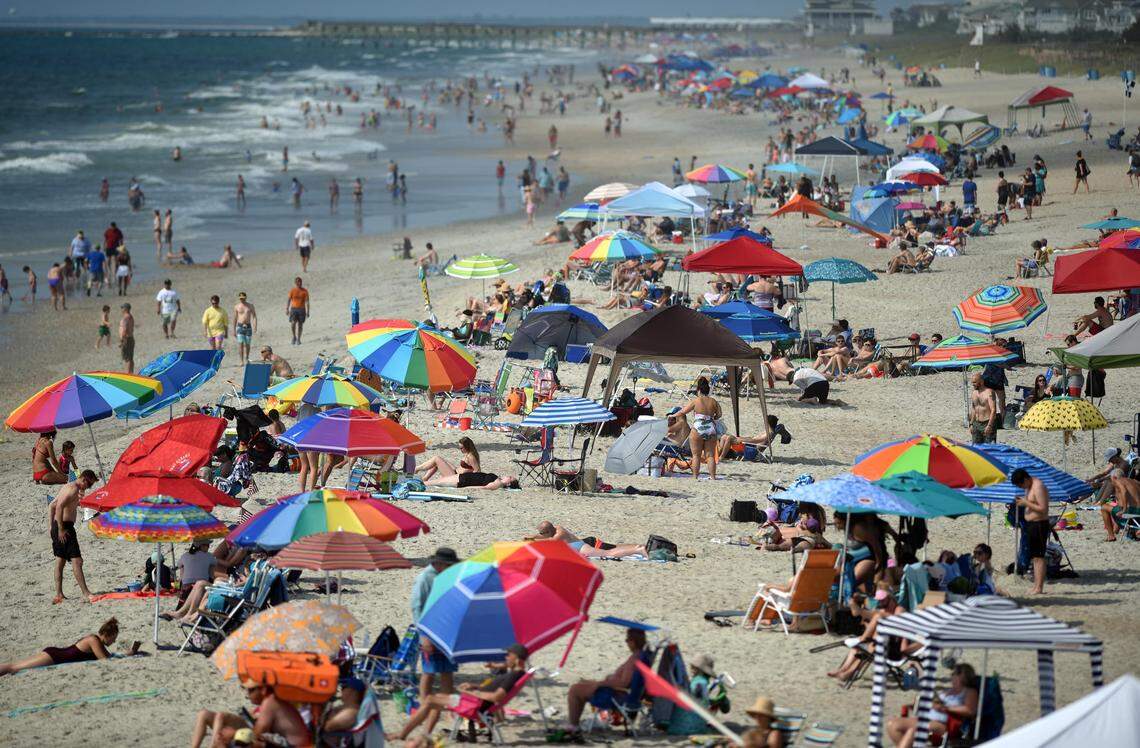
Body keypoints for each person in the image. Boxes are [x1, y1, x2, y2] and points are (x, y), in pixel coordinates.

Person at [390, 643, 529, 742]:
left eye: (508, 655)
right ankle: (422, 735)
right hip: (475, 701)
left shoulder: (512, 676)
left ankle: (405, 734)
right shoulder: (516, 673)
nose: (506, 657)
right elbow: (493, 688)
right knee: (435, 698)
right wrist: (474, 685)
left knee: (430, 700)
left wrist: (473, 692)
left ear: (517, 659)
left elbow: (496, 696)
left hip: (474, 705)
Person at [559, 628, 648, 740]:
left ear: (632, 642)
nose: (626, 643)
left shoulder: (634, 660)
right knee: (581, 685)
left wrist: (600, 683)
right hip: (619, 693)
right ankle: (574, 724)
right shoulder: (642, 656)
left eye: (627, 640)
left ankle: (573, 725)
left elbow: (623, 683)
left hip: (614, 695)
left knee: (575, 690)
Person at [190, 680, 311, 748]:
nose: (248, 694)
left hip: (291, 746)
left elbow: (255, 734)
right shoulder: (270, 702)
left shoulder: (271, 702)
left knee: (234, 741)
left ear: (263, 690)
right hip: (281, 741)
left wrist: (234, 734)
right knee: (205, 714)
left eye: (251, 690)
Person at [887, 664, 979, 748]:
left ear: (966, 675)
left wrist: (945, 708)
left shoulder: (969, 691)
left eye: (956, 673)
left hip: (945, 725)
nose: (953, 676)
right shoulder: (947, 691)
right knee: (892, 725)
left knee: (913, 730)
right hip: (928, 719)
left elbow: (970, 710)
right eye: (953, 673)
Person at [410, 548, 460, 706]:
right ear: (439, 564)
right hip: (429, 631)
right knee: (429, 671)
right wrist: (423, 635)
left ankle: (448, 702)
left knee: (447, 670)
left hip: (446, 629)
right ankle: (424, 703)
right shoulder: (425, 577)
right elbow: (416, 607)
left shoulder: (446, 575)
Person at [0, 618, 124, 675]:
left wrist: (131, 652)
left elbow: (111, 656)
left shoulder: (98, 643)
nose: (114, 641)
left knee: (14, 666)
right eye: (114, 638)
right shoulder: (93, 640)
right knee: (14, 667)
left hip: (55, 655)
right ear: (108, 634)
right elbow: (105, 661)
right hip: (54, 657)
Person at [48, 470, 98, 603]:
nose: (88, 488)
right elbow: (58, 508)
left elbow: (52, 505)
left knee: (61, 560)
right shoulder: (72, 489)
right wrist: (60, 529)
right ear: (84, 479)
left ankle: (59, 595)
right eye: (89, 485)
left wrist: (51, 527)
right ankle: (86, 593)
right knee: (77, 561)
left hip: (61, 527)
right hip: (64, 527)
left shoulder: (71, 488)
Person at [674, 376, 723, 481]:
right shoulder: (714, 401)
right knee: (710, 455)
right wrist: (713, 417)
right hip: (710, 427)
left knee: (696, 455)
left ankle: (695, 476)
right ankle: (713, 477)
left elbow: (683, 412)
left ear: (698, 390)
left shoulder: (696, 401)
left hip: (698, 427)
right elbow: (719, 414)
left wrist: (672, 416)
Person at [1011, 468, 1049, 594]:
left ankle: (1039, 587)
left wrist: (1025, 502)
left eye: (1021, 484)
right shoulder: (1029, 486)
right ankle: (1036, 586)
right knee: (1034, 557)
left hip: (1039, 524)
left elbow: (1043, 509)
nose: (1021, 487)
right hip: (1031, 525)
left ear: (1026, 479)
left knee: (1039, 557)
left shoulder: (1038, 486)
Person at [528, 521, 647, 558]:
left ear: (549, 531)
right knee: (612, 548)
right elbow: (545, 536)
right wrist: (532, 537)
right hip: (581, 544)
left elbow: (547, 543)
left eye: (542, 532)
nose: (541, 535)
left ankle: (638, 550)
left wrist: (532, 542)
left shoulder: (557, 536)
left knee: (609, 553)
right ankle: (637, 548)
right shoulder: (557, 528)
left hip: (582, 548)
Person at [766, 357, 831, 405]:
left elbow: (806, 389)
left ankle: (811, 400)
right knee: (823, 402)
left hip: (815, 384)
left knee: (802, 399)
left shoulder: (796, 379)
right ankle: (835, 402)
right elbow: (791, 365)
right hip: (825, 383)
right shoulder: (804, 369)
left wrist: (801, 397)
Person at [969, 373, 997, 444]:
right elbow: (973, 408)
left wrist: (989, 425)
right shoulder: (974, 393)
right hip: (976, 424)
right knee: (976, 449)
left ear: (981, 381)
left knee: (989, 448)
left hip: (987, 423)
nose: (973, 384)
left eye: (975, 382)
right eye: (972, 382)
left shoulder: (989, 392)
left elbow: (993, 410)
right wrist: (971, 424)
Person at [232, 292, 257, 365]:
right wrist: (233, 330)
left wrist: (255, 326)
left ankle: (247, 358)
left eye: (243, 298)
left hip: (248, 326)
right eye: (240, 298)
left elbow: (254, 316)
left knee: (247, 344)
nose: (242, 300)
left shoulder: (250, 306)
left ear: (246, 297)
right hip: (240, 326)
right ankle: (241, 360)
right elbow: (235, 318)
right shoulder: (237, 306)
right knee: (240, 343)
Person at [286, 276, 310, 345]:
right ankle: (294, 337)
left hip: (302, 309)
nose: (299, 283)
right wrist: (287, 309)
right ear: (295, 283)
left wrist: (308, 311)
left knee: (300, 325)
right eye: (297, 282)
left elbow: (307, 302)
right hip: (294, 309)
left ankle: (299, 339)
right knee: (293, 323)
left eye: (300, 282)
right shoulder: (292, 290)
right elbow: (289, 300)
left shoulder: (305, 291)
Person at [119, 303, 136, 373]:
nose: (121, 309)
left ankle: (128, 373)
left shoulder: (126, 317)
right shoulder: (130, 316)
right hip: (130, 338)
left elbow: (125, 329)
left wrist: (122, 340)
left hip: (127, 339)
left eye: (122, 308)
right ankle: (131, 373)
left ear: (125, 309)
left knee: (127, 358)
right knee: (130, 357)